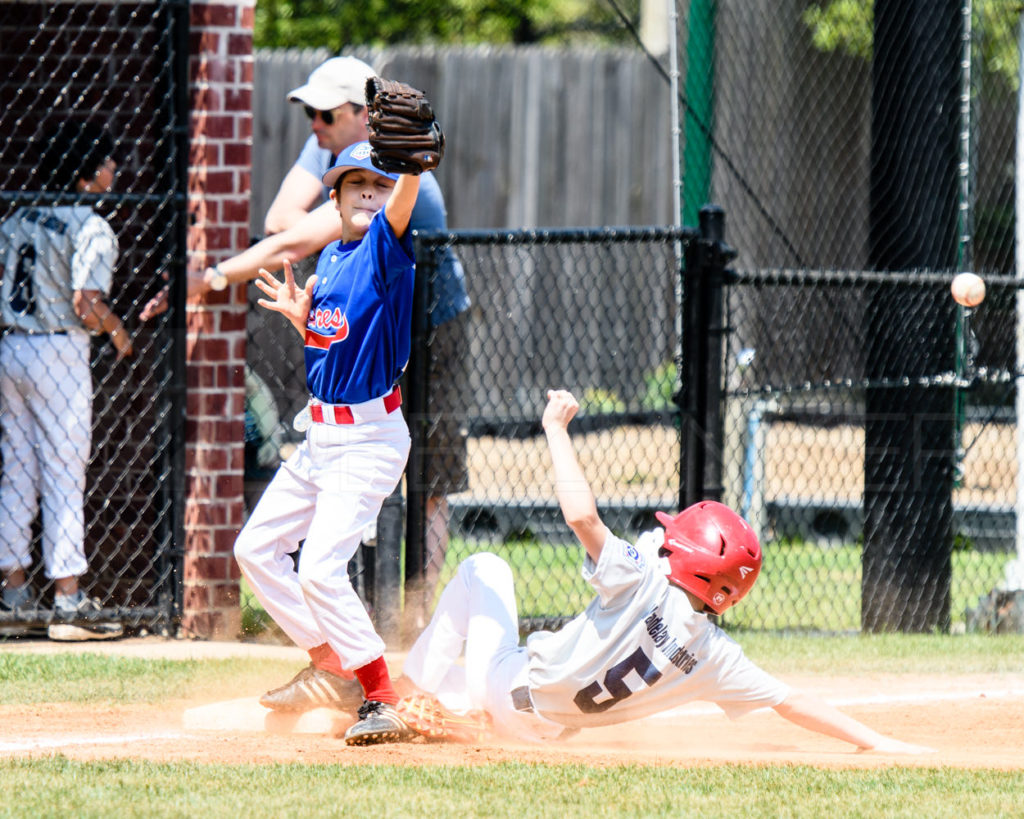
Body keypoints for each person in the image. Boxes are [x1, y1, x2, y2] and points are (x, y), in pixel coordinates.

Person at [392, 390, 936, 753]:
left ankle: (398, 699)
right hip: (546, 733)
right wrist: (877, 742)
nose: (666, 544)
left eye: (677, 543)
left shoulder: (642, 577)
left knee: (483, 567)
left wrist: (555, 427)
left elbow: (581, 516)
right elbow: (792, 702)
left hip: (507, 684)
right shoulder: (713, 654)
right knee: (458, 689)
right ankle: (451, 706)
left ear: (690, 562)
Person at [140, 57, 471, 635]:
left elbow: (296, 235)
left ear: (362, 117)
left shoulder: (387, 184)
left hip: (428, 328)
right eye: (310, 113)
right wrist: (336, 184)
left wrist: (215, 276)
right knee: (338, 498)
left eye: (324, 113)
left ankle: (414, 621)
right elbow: (279, 221)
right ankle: (346, 640)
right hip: (357, 331)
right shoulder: (339, 163)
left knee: (428, 484)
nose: (313, 124)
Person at [232, 140, 426, 746]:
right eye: (356, 185)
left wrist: (413, 168)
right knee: (256, 550)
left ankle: (382, 696)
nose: (370, 194)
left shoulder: (381, 252)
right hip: (322, 435)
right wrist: (301, 322)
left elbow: (400, 208)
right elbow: (337, 344)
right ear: (334, 198)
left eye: (379, 184)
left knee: (319, 568)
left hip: (368, 438)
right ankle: (332, 663)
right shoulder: (334, 262)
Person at [0, 121, 130, 642]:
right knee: (63, 469)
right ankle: (69, 599)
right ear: (86, 173)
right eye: (106, 162)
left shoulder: (17, 217)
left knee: (17, 469)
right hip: (58, 346)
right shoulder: (91, 225)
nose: (114, 170)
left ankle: (13, 593)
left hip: (11, 345)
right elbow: (87, 304)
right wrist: (119, 332)